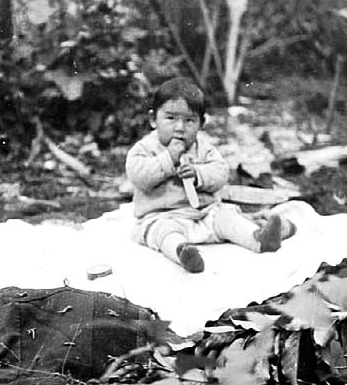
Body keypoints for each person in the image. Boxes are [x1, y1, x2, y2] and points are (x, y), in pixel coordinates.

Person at [126, 77, 296, 273]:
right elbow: (140, 177)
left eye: (189, 120)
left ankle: (259, 239)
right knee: (163, 233)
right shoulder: (144, 149)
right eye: (171, 118)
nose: (180, 127)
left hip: (205, 214)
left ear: (201, 123)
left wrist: (199, 174)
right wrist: (168, 159)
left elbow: (220, 173)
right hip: (162, 216)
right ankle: (183, 253)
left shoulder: (204, 148)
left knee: (227, 217)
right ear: (153, 119)